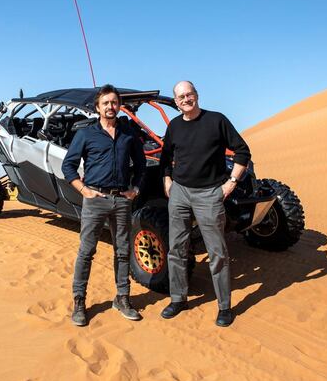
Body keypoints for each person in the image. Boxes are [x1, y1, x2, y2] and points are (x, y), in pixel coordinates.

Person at [159, 80, 251, 327]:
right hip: (179, 193)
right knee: (176, 248)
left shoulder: (216, 121)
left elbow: (242, 151)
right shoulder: (175, 126)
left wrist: (231, 183)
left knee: (217, 252)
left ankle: (224, 306)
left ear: (196, 96)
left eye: (189, 95)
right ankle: (178, 298)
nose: (186, 100)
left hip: (209, 194)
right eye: (181, 97)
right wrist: (167, 180)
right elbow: (165, 156)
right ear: (176, 102)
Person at [62, 84, 147, 326]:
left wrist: (135, 190)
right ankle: (79, 302)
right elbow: (68, 165)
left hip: (122, 200)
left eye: (114, 102)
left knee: (122, 251)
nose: (111, 107)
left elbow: (140, 167)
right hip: (95, 200)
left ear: (119, 105)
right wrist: (83, 190)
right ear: (97, 107)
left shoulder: (129, 134)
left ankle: (122, 298)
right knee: (86, 252)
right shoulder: (86, 134)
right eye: (106, 103)